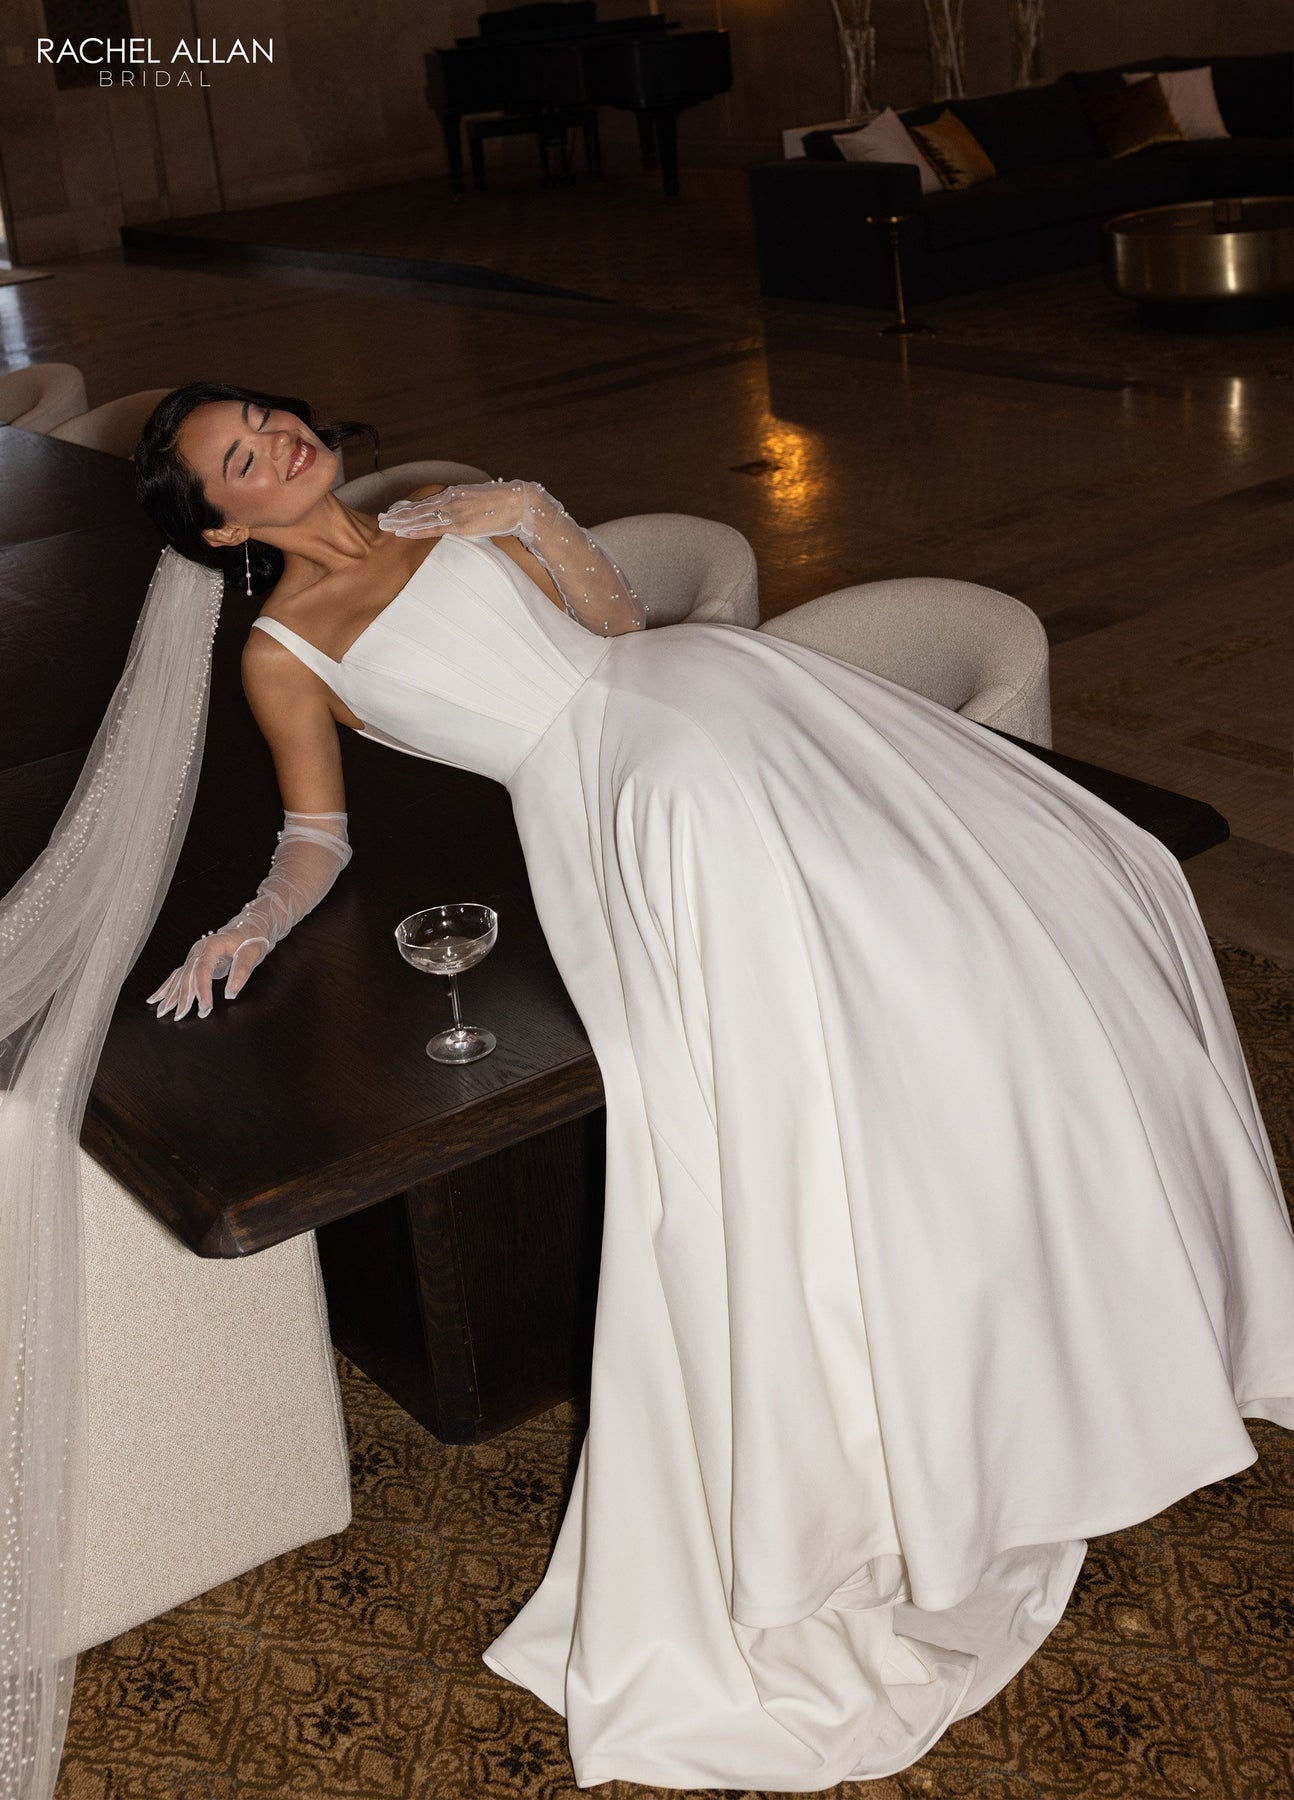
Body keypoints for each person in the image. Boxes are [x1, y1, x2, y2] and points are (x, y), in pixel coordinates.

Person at [94, 380, 1294, 1786]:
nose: (278, 445)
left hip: (731, 702)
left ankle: (1107, 1301)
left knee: (1055, 905)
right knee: (796, 1111)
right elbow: (317, 833)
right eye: (240, 459)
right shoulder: (285, 651)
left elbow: (614, 638)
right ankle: (927, 1408)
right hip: (631, 805)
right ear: (222, 525)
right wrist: (251, 921)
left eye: (265, 419)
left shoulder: (437, 513)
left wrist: (535, 514)